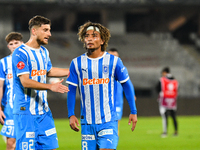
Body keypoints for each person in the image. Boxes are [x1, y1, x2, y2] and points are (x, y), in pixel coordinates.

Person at [66, 21, 137, 150]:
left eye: (94, 35)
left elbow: (127, 84)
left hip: (108, 121)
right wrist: (71, 114)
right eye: (87, 36)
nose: (89, 39)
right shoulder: (76, 63)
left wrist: (133, 111)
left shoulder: (114, 61)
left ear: (103, 40)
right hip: (87, 123)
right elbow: (71, 90)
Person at [12, 15, 69, 150]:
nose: (49, 34)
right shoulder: (20, 53)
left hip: (43, 112)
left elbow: (48, 71)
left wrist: (72, 71)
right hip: (25, 112)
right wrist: (50, 87)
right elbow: (25, 81)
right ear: (34, 31)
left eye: (49, 30)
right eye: (45, 30)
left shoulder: (44, 51)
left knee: (52, 147)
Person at [0, 32, 23, 150]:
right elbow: (0, 86)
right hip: (10, 108)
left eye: (16, 43)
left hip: (28, 107)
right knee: (11, 143)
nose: (14, 45)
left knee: (27, 140)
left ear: (22, 44)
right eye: (11, 44)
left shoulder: (29, 60)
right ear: (8, 46)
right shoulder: (3, 63)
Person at [156, 67, 179, 138]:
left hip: (164, 100)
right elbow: (177, 90)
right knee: (173, 116)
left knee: (164, 116)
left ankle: (165, 132)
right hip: (172, 100)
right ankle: (176, 132)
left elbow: (157, 88)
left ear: (164, 72)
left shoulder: (162, 80)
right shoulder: (175, 81)